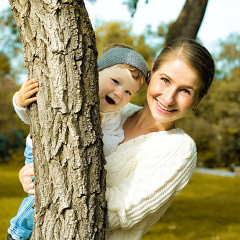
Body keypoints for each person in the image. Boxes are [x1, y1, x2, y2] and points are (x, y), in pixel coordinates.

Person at [18, 38, 215, 240]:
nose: (169, 97)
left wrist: (51, 183)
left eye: (185, 91)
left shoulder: (179, 149)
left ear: (197, 100)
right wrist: (32, 173)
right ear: (151, 73)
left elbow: (119, 212)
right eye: (165, 80)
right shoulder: (112, 111)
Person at [7, 44, 148, 240]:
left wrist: (95, 133)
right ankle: (17, 233)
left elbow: (111, 143)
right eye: (115, 81)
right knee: (37, 196)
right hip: (40, 151)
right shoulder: (72, 90)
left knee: (51, 199)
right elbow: (33, 116)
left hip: (72, 163)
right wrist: (20, 101)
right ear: (95, 73)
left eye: (128, 92)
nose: (119, 92)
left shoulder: (112, 117)